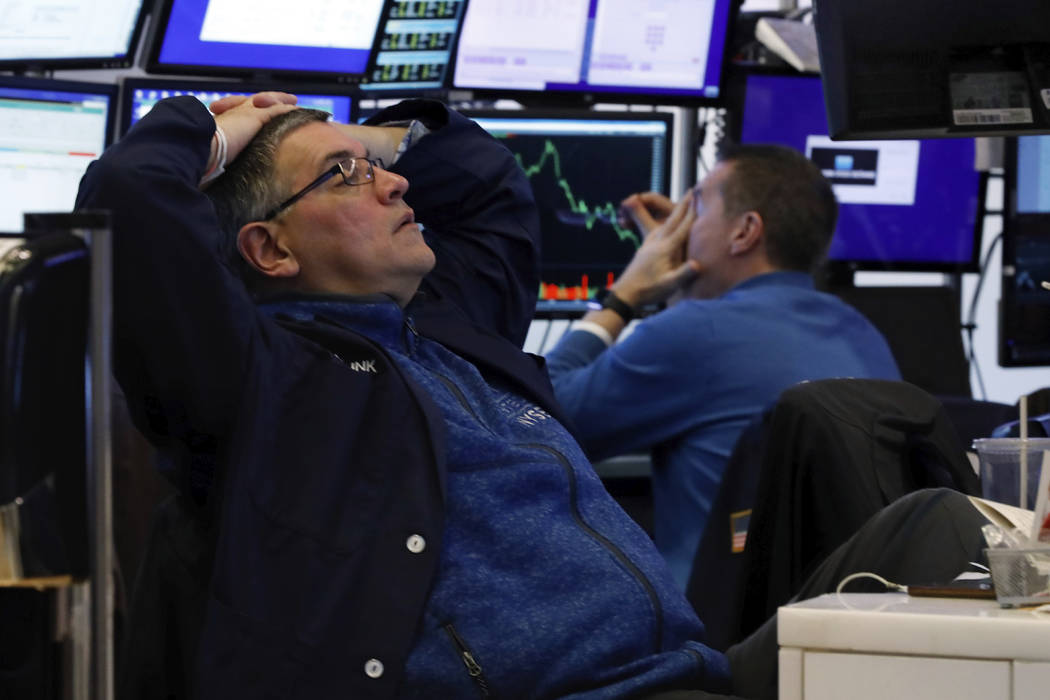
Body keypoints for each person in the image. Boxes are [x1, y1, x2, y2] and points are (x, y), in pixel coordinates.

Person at [76, 94, 980, 700]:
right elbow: (127, 199)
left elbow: (491, 196)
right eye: (346, 177)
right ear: (270, 251)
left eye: (377, 164)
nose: (392, 180)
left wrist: (376, 132)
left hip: (692, 674)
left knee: (935, 522)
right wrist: (213, 127)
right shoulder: (260, 380)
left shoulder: (449, 331)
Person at [544, 145, 902, 589]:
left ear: (745, 231)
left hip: (711, 638)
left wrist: (625, 295)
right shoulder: (863, 331)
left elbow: (540, 417)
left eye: (696, 208)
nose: (681, 228)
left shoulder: (696, 332)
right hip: (831, 622)